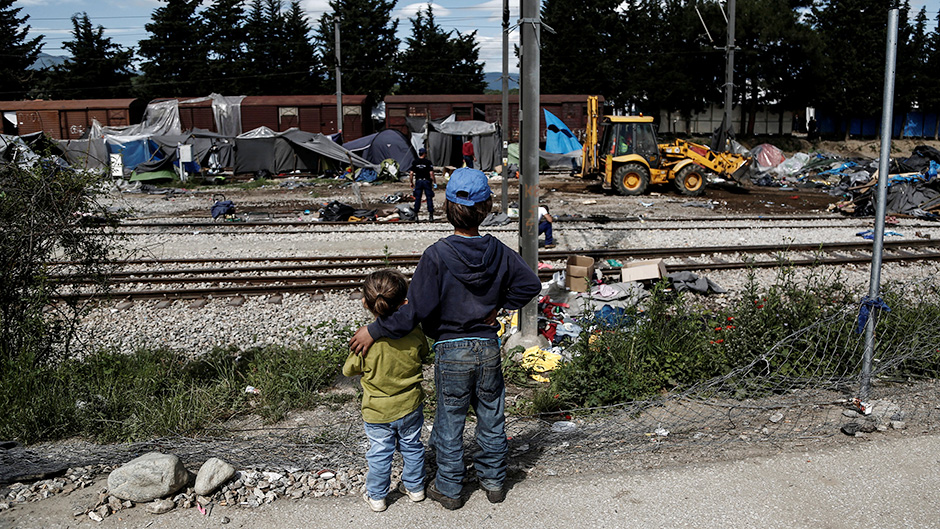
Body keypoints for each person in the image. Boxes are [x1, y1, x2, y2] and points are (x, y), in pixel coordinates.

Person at [349, 168, 541, 510]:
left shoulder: (436, 255)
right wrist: (498, 307)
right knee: (491, 416)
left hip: (451, 350)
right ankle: (494, 482)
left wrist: (374, 329)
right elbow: (530, 285)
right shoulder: (498, 251)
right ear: (486, 208)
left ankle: (450, 489)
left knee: (450, 421)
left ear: (446, 207)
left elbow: (415, 311)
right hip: (487, 348)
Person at [343, 269, 430, 513]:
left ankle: (378, 497)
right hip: (411, 404)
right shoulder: (414, 332)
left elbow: (350, 370)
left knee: (380, 453)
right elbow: (424, 354)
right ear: (404, 303)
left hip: (377, 410)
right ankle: (415, 488)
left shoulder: (364, 340)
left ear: (365, 303)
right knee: (412, 446)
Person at [410, 147, 436, 222]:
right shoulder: (428, 162)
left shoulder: (415, 162)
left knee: (418, 198)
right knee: (429, 197)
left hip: (418, 181)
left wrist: (411, 182)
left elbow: (411, 173)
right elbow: (431, 173)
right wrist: (434, 182)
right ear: (424, 154)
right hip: (426, 181)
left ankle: (416, 215)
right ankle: (431, 215)